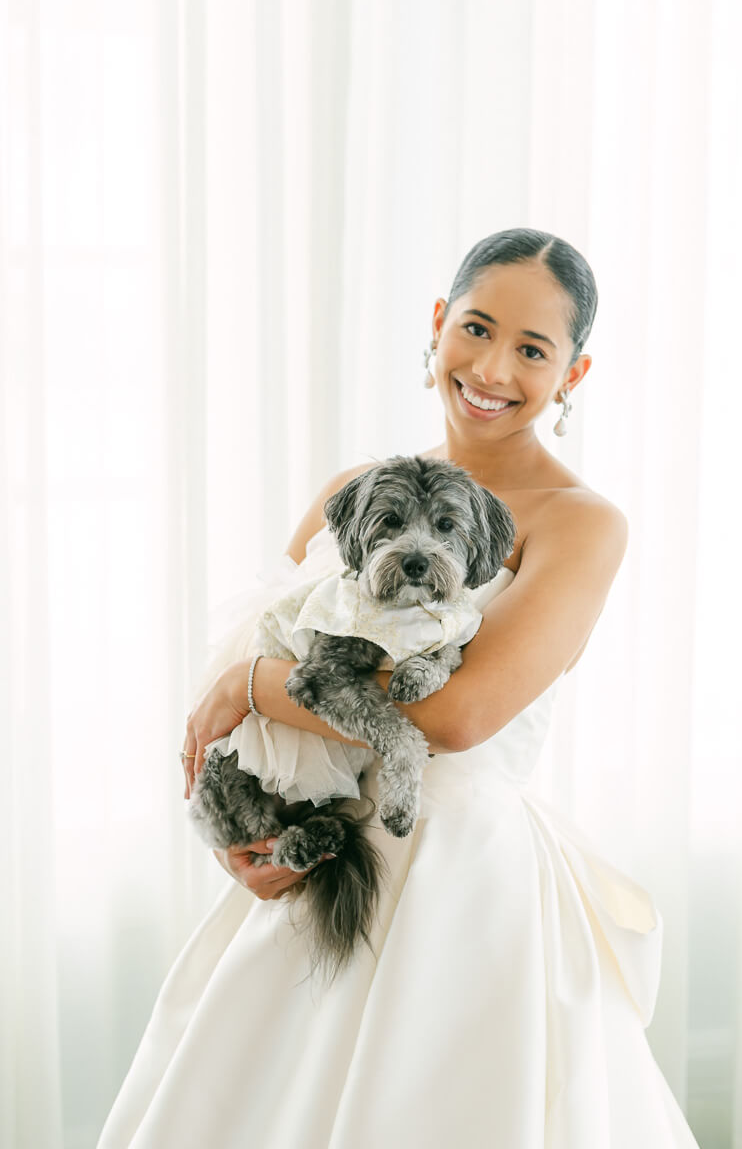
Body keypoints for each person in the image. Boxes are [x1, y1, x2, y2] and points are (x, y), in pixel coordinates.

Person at [98, 228, 701, 1147]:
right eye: (477, 328)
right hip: (326, 851)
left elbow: (459, 716)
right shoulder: (353, 492)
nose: (493, 368)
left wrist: (255, 686)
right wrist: (246, 825)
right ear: (438, 325)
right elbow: (270, 631)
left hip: (464, 882)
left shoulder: (581, 525)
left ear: (573, 374)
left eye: (533, 350)